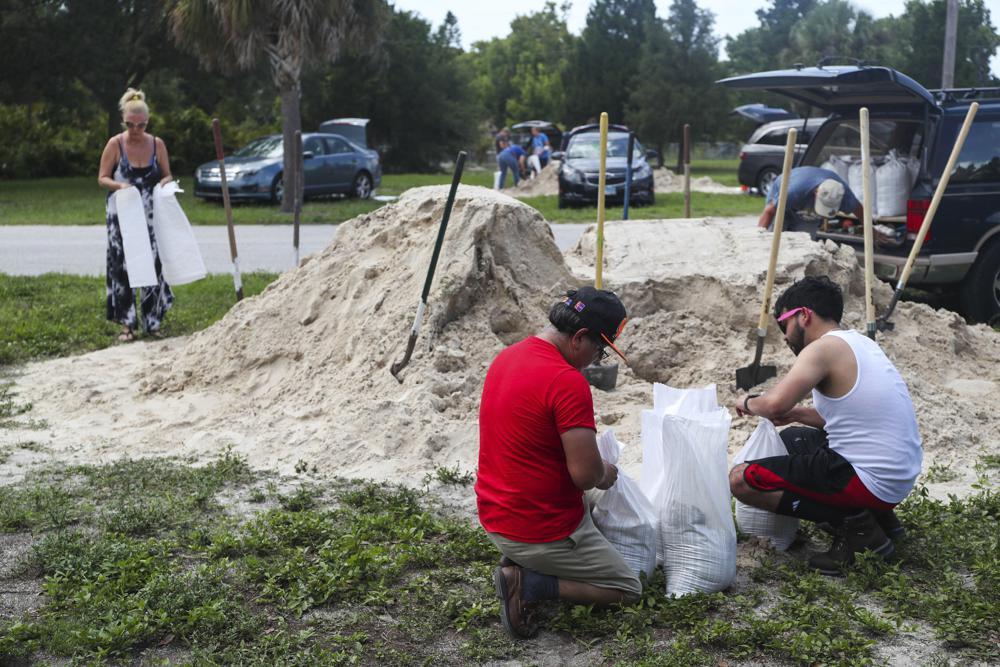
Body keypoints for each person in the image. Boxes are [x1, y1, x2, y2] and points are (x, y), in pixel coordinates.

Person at [477, 287, 641, 638]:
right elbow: (585, 476)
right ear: (580, 337)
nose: (596, 360)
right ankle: (527, 581)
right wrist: (604, 472)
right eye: (599, 350)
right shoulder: (567, 381)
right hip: (536, 530)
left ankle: (523, 558)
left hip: (494, 516)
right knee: (628, 588)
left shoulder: (507, 357)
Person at [731, 276, 922, 575]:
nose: (784, 336)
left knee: (741, 479)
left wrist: (747, 402)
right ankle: (879, 518)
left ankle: (860, 529)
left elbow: (773, 405)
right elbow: (841, 418)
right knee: (794, 438)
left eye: (783, 324)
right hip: (896, 474)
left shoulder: (820, 350)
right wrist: (796, 414)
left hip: (870, 479)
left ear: (803, 315)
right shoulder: (860, 343)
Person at [97, 87, 174, 342]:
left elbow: (167, 173)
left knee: (154, 264)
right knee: (123, 266)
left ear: (147, 122)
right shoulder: (115, 144)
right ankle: (126, 324)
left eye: (140, 125)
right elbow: (102, 178)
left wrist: (166, 184)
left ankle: (153, 322)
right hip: (122, 215)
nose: (135, 130)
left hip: (151, 216)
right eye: (130, 124)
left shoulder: (157, 144)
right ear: (123, 120)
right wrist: (119, 185)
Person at [758, 166, 862, 238]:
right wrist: (758, 236)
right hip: (783, 201)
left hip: (804, 202)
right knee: (773, 239)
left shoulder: (842, 193)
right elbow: (769, 211)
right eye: (824, 205)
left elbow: (860, 210)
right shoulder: (794, 191)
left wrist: (873, 234)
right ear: (816, 192)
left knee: (804, 245)